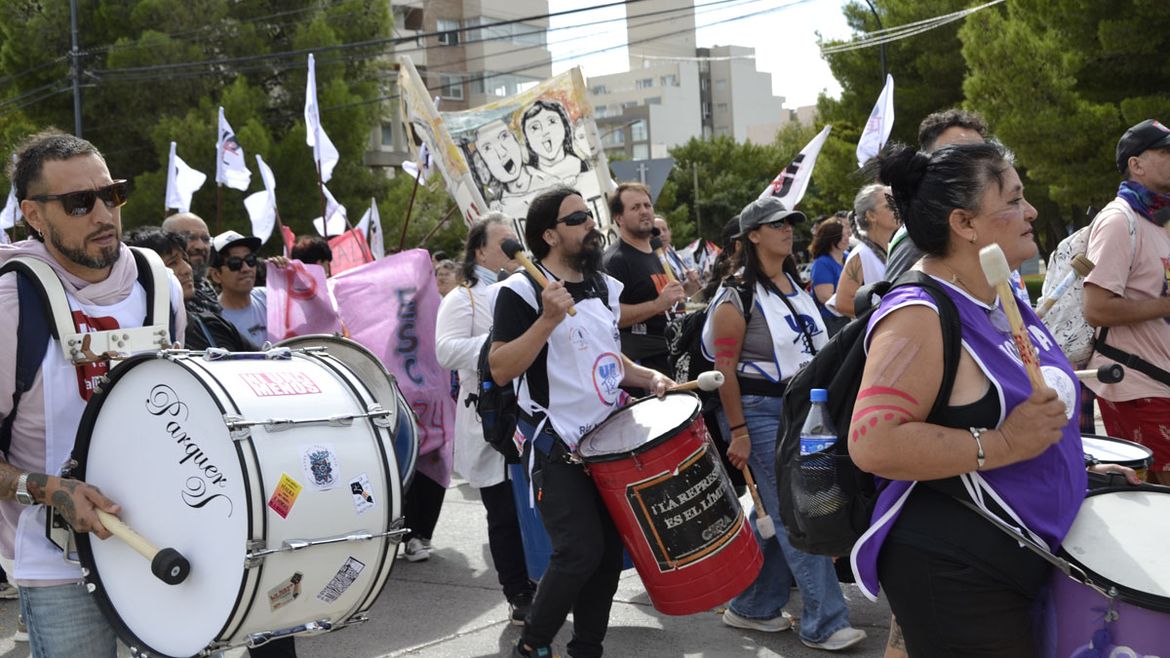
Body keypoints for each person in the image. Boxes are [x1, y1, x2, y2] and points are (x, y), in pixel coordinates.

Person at [850, 141, 1138, 656]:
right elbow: (873, 444)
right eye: (1013, 199)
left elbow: (1032, 417)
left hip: (1021, 551)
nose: (1030, 212)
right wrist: (1004, 443)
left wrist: (1088, 475)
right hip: (957, 568)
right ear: (965, 223)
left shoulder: (998, 296)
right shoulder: (918, 314)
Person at [0, 131, 186, 657]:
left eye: (112, 195)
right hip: (57, 565)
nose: (103, 213)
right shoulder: (11, 302)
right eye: (80, 203)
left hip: (168, 542)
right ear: (35, 216)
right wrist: (49, 488)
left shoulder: (160, 286)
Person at [489, 186, 673, 658]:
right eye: (577, 219)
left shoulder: (604, 287)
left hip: (609, 439)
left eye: (589, 215)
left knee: (609, 556)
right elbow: (501, 368)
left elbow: (611, 361)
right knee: (579, 551)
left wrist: (648, 376)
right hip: (557, 443)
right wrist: (547, 319)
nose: (590, 224)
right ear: (549, 234)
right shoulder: (519, 291)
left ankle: (587, 648)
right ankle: (531, 646)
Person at [702, 196, 866, 652]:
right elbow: (725, 371)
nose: (787, 230)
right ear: (752, 235)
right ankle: (825, 622)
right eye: (776, 224)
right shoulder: (735, 296)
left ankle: (753, 605)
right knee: (801, 514)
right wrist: (738, 431)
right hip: (761, 413)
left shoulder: (795, 282)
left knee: (786, 513)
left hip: (807, 412)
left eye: (790, 223)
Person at [123, 227, 295, 658]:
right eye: (169, 263)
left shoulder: (205, 315)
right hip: (188, 492)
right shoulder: (135, 330)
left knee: (268, 601)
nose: (183, 269)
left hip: (245, 471)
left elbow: (258, 367)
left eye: (183, 260)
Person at [433, 212, 535, 624]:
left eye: (516, 241)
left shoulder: (526, 288)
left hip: (530, 414)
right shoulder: (462, 298)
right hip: (491, 417)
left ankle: (540, 580)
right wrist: (500, 345)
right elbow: (445, 351)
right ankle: (517, 592)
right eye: (504, 242)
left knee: (535, 506)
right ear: (480, 250)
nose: (514, 249)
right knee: (504, 511)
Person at [1083, 118, 1170, 485]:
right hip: (1136, 386)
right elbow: (1096, 307)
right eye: (1166, 152)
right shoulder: (1120, 221)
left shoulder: (1159, 221)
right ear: (1136, 164)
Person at [883, 109, 989, 280]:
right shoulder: (920, 239)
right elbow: (894, 302)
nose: (976, 166)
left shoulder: (986, 224)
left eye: (983, 155)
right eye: (957, 157)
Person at [123, 227, 258, 352]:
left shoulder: (214, 326)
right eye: (172, 263)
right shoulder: (124, 340)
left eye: (185, 259)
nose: (187, 269)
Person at [602, 182, 687, 376]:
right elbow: (610, 316)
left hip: (672, 356)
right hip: (646, 366)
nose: (644, 211)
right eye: (635, 207)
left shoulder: (657, 253)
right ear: (619, 218)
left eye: (647, 205)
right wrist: (658, 304)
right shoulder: (615, 261)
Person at [833, 184, 898, 317]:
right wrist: (884, 315)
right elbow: (842, 303)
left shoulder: (893, 248)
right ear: (871, 215)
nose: (896, 209)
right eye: (889, 206)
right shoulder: (861, 254)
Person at [209, 230, 268, 345]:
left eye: (250, 260)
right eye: (235, 263)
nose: (246, 268)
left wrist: (288, 275)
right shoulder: (215, 321)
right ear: (216, 275)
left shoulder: (268, 298)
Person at [162, 211, 221, 313]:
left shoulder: (209, 293)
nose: (200, 246)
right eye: (191, 238)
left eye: (205, 239)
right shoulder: (159, 302)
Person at [520, 99, 588, 185]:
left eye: (552, 121)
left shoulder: (581, 165)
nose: (545, 131)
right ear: (527, 139)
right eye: (534, 128)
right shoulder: (527, 176)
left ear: (565, 126)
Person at [808, 215, 852, 335]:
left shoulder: (848, 257)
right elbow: (825, 298)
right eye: (843, 235)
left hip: (850, 317)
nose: (848, 238)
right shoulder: (822, 263)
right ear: (833, 240)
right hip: (833, 321)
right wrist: (853, 309)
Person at [652, 216, 701, 296]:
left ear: (670, 232)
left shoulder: (676, 258)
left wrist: (691, 282)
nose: (662, 234)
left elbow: (685, 294)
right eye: (657, 231)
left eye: (664, 229)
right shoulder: (647, 260)